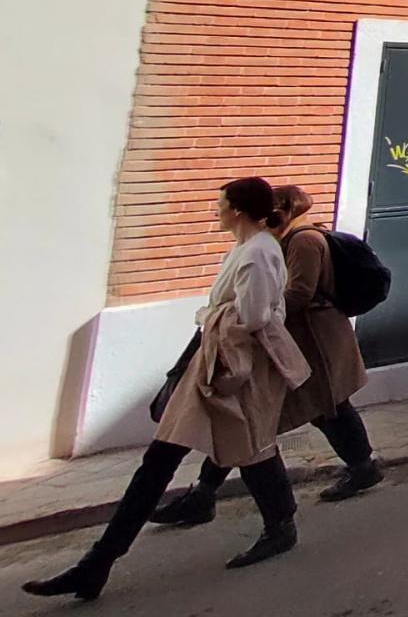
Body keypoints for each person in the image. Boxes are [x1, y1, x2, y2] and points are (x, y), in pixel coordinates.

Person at [24, 177, 310, 601]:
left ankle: (280, 525)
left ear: (237, 211)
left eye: (221, 203)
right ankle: (97, 564)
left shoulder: (258, 253)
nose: (216, 210)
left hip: (236, 369)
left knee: (248, 449)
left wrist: (210, 316)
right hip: (217, 363)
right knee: (171, 458)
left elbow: (252, 318)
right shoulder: (248, 248)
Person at [151, 185, 381, 525]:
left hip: (313, 343)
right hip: (296, 341)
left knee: (310, 412)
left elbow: (299, 293)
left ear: (286, 208)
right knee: (255, 420)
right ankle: (206, 493)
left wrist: (263, 312)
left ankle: (360, 469)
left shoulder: (304, 240)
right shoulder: (283, 240)